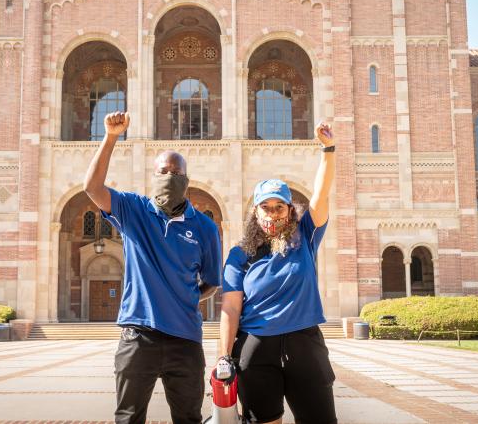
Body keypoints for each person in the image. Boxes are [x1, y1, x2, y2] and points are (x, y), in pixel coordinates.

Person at [84, 111, 222, 424]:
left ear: (186, 181)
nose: (169, 178)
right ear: (153, 176)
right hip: (137, 336)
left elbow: (212, 281)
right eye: (163, 171)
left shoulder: (204, 227)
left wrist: (183, 297)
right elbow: (92, 187)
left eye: (176, 173)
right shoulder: (133, 210)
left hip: (185, 340)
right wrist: (110, 137)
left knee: (188, 417)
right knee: (128, 417)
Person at [217, 121, 337, 424]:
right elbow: (231, 308)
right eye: (265, 207)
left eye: (279, 207)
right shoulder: (239, 255)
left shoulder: (306, 236)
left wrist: (328, 151)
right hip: (256, 349)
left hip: (305, 346)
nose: (273, 214)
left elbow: (320, 198)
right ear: (256, 212)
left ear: (289, 211)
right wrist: (223, 356)